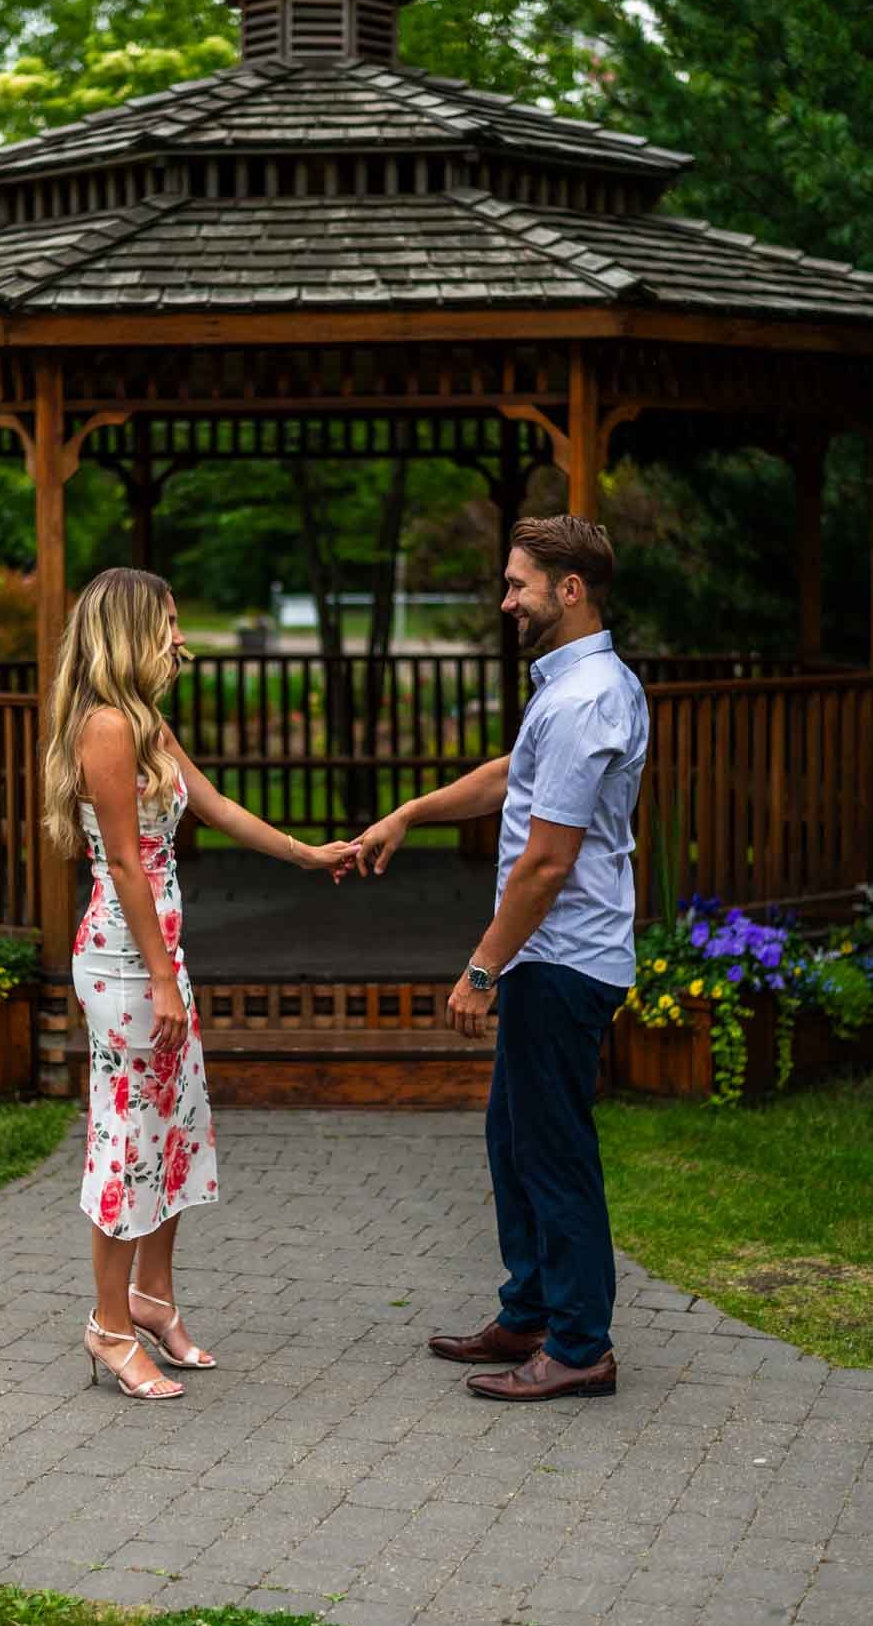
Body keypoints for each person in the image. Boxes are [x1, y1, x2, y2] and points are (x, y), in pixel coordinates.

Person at [350, 516, 649, 1402]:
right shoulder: (567, 688)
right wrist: (409, 812)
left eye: (518, 583)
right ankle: (528, 1311)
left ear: (570, 590)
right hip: (544, 959)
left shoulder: (587, 695)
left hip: (559, 962)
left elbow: (548, 859)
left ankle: (580, 1343)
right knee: (512, 1139)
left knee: (553, 1151)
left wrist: (481, 967)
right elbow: (511, 776)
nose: (504, 598)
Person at [44, 567, 356, 1402]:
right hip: (123, 961)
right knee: (128, 1139)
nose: (182, 638)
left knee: (175, 1126)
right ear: (133, 629)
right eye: (170, 623)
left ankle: (152, 1297)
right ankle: (108, 1328)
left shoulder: (148, 725)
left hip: (158, 958)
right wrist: (161, 980)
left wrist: (307, 852)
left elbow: (215, 809)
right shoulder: (106, 728)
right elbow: (123, 863)